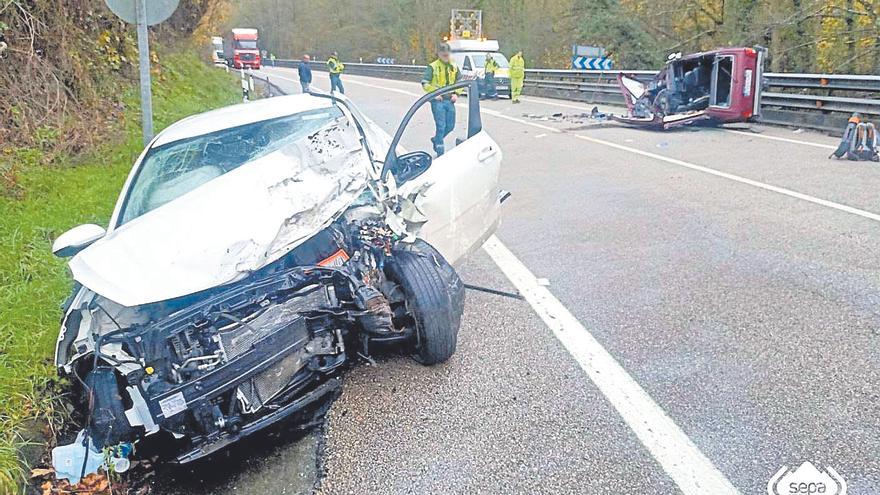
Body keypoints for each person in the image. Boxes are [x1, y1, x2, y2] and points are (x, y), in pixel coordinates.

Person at [422, 43, 462, 156]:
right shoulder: (432, 67)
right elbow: (425, 83)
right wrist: (434, 94)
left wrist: (457, 94)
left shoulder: (454, 66)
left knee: (450, 126)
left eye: (447, 54)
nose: (446, 56)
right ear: (439, 54)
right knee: (441, 125)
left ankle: (436, 139)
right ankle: (440, 148)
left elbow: (460, 82)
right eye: (443, 54)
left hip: (450, 100)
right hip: (437, 101)